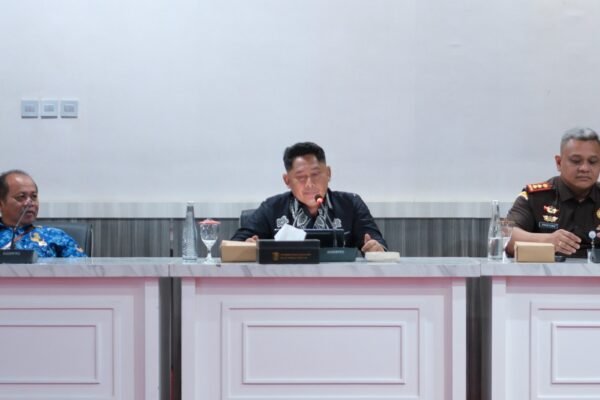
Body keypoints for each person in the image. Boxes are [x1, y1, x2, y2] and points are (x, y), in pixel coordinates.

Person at [231, 142, 387, 252]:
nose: (309, 184)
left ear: (328, 173)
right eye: (300, 177)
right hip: (286, 284)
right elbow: (235, 245)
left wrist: (376, 248)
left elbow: (377, 244)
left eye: (315, 175)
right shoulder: (272, 208)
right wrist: (246, 247)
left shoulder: (350, 204)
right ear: (287, 181)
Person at [506, 127, 600, 258]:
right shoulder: (536, 197)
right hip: (546, 271)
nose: (585, 168)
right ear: (559, 162)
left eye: (593, 162)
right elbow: (506, 236)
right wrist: (547, 240)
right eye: (576, 161)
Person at [0, 170, 86, 257]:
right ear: (1, 204)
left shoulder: (55, 236)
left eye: (34, 196)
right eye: (21, 197)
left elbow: (82, 265)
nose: (30, 203)